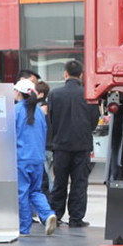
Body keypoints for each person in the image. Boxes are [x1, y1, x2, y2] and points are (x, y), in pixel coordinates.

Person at [48, 60, 99, 228]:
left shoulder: (55, 94)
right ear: (81, 75)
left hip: (60, 146)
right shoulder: (88, 94)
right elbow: (94, 120)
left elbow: (51, 119)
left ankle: (56, 215)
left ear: (65, 74)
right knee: (79, 183)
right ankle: (76, 219)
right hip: (82, 146)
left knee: (59, 182)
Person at [13, 78, 57, 237]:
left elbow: (10, 134)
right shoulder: (39, 112)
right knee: (35, 191)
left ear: (19, 93)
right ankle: (47, 214)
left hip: (21, 158)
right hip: (37, 158)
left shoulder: (16, 110)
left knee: (22, 193)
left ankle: (24, 228)